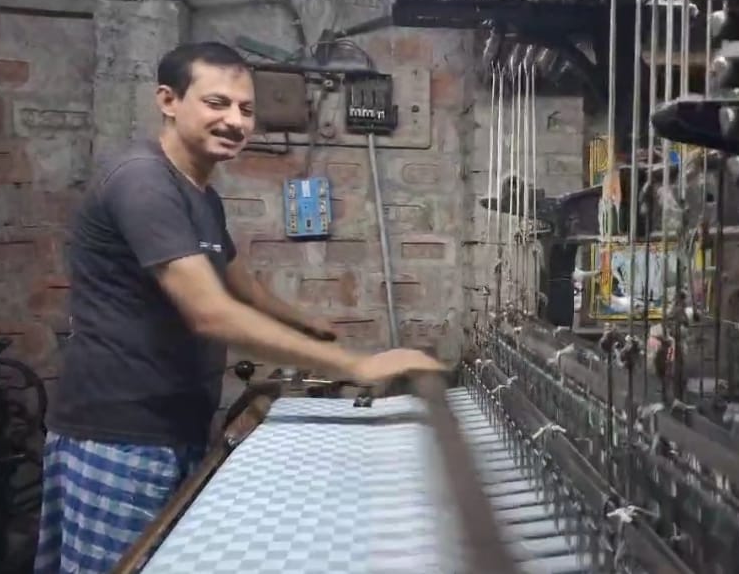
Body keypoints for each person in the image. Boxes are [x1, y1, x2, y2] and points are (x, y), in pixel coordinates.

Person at [33, 41, 444, 574]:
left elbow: (236, 281)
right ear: (168, 100)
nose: (235, 121)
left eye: (246, 109)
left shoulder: (200, 194)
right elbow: (210, 311)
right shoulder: (143, 181)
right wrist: (357, 365)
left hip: (174, 425)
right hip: (118, 435)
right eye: (217, 103)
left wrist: (304, 321)